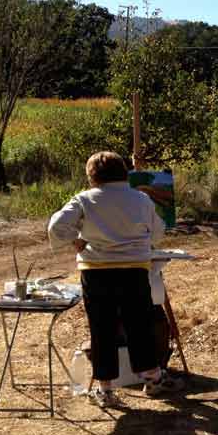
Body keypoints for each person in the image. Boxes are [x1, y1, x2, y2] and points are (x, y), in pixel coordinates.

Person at [48, 151, 182, 407]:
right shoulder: (141, 200)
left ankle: (106, 390)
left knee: (102, 328)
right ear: (123, 173)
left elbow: (56, 227)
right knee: (138, 325)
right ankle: (153, 378)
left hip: (96, 272)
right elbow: (157, 233)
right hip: (133, 271)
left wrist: (75, 240)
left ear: (92, 176)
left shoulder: (85, 199)